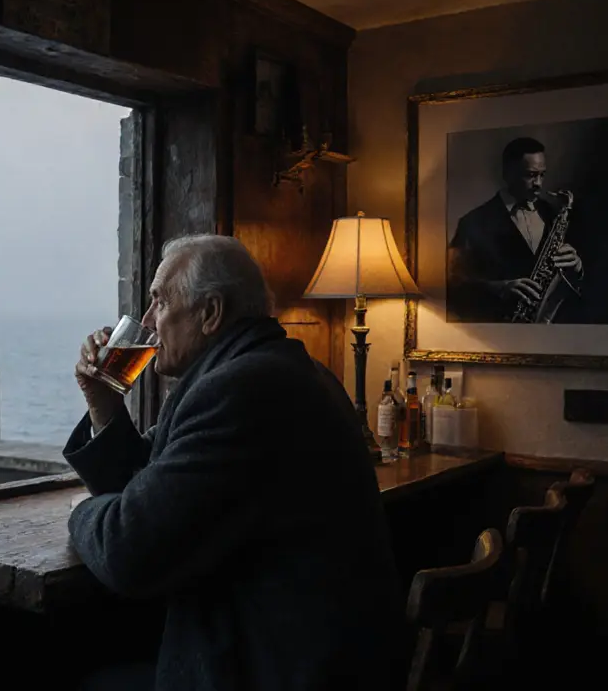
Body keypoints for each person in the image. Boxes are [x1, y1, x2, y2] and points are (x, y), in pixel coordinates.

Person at [65, 234, 402, 691]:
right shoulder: (279, 368)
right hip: (309, 654)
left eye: (159, 303)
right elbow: (152, 480)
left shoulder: (242, 390)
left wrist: (79, 513)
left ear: (211, 314)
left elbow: (128, 551)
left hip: (277, 669)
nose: (146, 321)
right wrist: (103, 403)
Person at [447, 136, 584, 323]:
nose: (539, 184)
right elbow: (453, 286)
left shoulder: (554, 213)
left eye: (542, 175)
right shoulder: (473, 222)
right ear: (507, 174)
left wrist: (576, 265)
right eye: (530, 175)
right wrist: (499, 288)